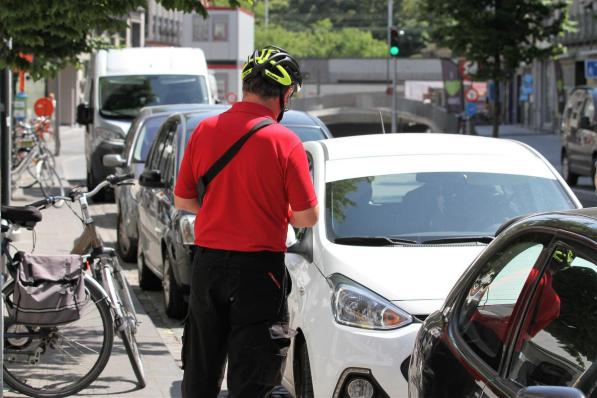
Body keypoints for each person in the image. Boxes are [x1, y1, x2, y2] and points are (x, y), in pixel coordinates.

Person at [173, 45, 319, 398]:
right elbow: (307, 216)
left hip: (207, 264)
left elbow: (183, 199)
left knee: (201, 370)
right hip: (258, 272)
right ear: (285, 93)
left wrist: (223, 207)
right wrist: (270, 211)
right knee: (252, 377)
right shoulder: (285, 140)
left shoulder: (205, 130)